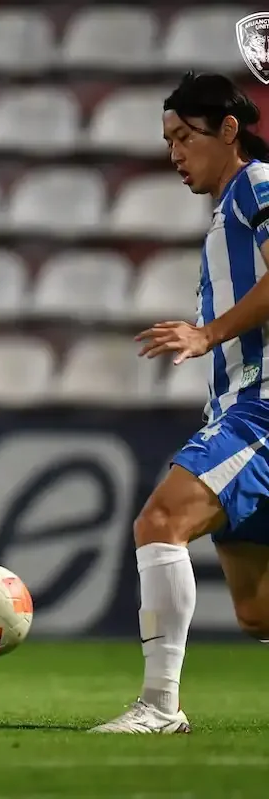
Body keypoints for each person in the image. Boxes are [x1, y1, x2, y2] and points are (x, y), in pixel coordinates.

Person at [93, 71, 269, 733]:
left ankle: (159, 706)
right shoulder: (230, 205)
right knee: (256, 610)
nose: (173, 154)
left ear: (228, 130)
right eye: (167, 141)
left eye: (182, 137)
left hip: (264, 407)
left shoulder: (258, 186)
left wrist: (209, 332)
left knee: (159, 523)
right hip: (237, 408)